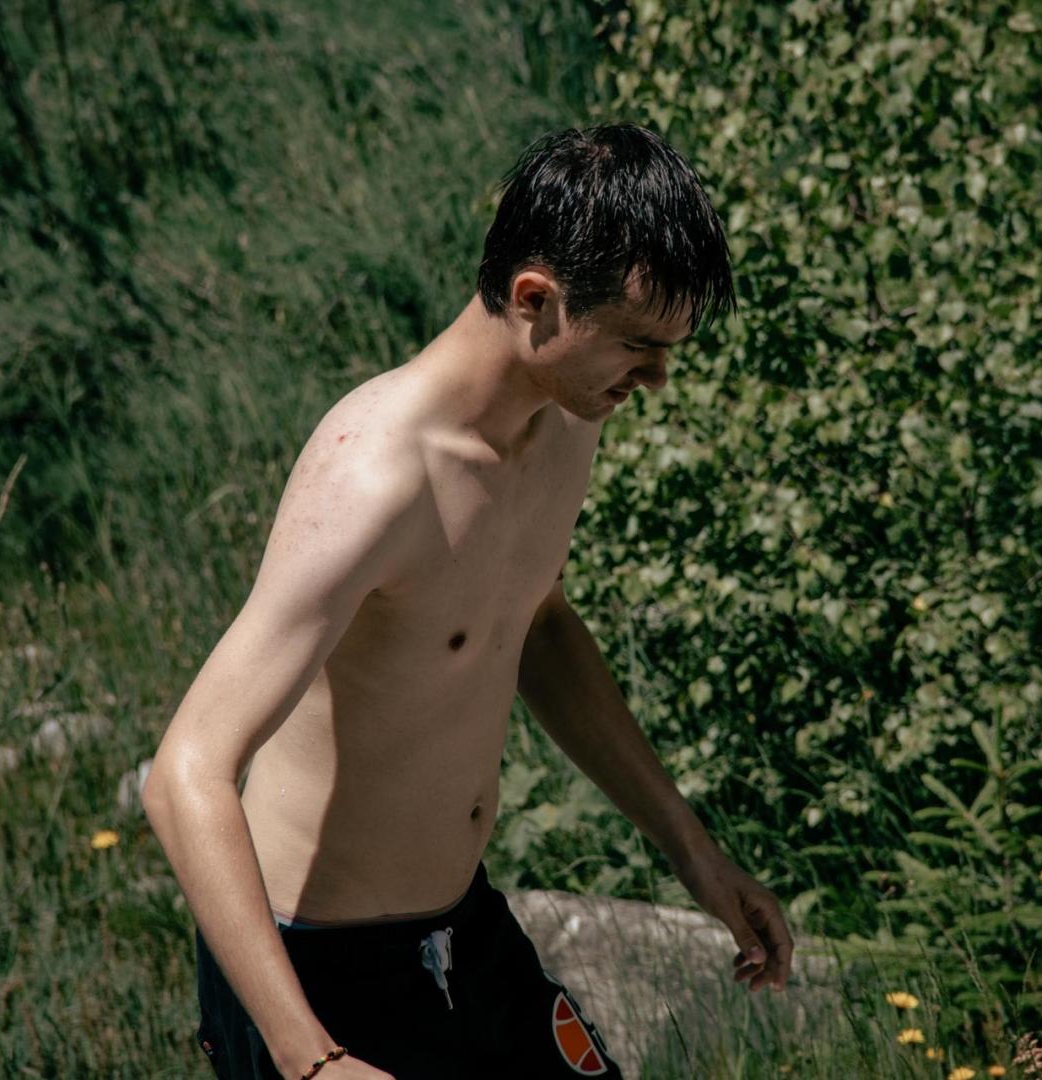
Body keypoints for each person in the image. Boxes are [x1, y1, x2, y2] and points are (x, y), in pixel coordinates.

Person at [142, 122, 795, 1080]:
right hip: (313, 977)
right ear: (535, 299)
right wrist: (310, 1060)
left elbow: (535, 620)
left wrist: (692, 852)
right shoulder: (375, 476)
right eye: (639, 347)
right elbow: (185, 773)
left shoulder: (565, 416)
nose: (658, 379)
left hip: (462, 930)